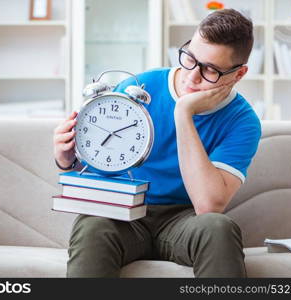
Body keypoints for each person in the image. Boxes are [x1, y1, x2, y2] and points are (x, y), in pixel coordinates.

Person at [53, 9, 261, 278]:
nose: (192, 76)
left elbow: (208, 206)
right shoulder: (141, 86)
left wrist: (183, 113)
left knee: (219, 227)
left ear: (238, 74)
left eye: (210, 70)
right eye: (190, 58)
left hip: (184, 221)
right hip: (124, 214)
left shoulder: (242, 121)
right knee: (92, 226)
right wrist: (66, 158)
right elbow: (99, 161)